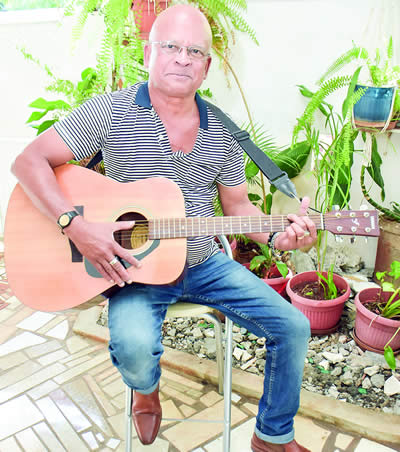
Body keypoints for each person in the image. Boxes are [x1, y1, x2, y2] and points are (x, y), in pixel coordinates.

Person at [11, 5, 316, 451]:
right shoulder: (109, 112)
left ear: (207, 66)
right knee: (135, 350)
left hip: (204, 264)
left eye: (195, 50)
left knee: (292, 326)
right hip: (134, 271)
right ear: (148, 52)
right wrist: (74, 226)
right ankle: (146, 387)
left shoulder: (225, 134)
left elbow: (236, 208)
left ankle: (272, 436)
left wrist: (278, 236)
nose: (182, 58)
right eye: (171, 46)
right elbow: (28, 162)